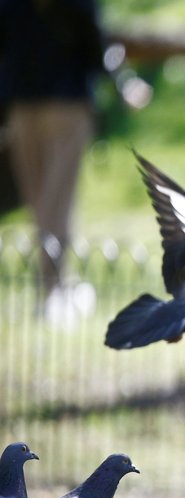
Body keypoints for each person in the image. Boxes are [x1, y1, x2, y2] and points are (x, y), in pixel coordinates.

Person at [0, 0, 104, 322]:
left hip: (22, 104)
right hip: (66, 104)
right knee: (54, 203)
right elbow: (94, 45)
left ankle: (52, 288)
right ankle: (54, 291)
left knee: (42, 203)